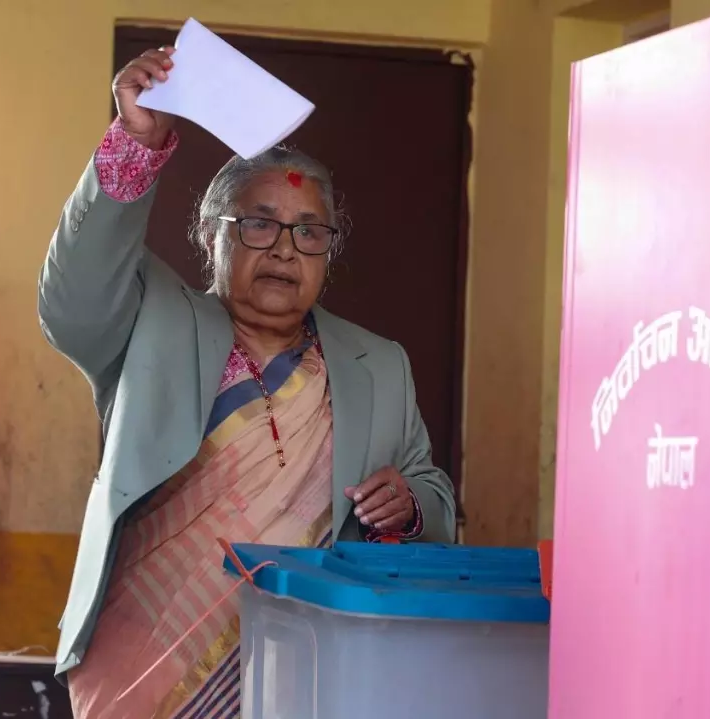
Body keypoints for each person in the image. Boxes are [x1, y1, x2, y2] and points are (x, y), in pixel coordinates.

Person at [39, 45, 459, 718]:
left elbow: (433, 499)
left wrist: (409, 506)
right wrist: (134, 143)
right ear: (212, 236)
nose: (286, 249)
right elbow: (74, 300)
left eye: (309, 232)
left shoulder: (378, 364)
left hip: (309, 676)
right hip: (142, 672)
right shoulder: (152, 322)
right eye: (260, 224)